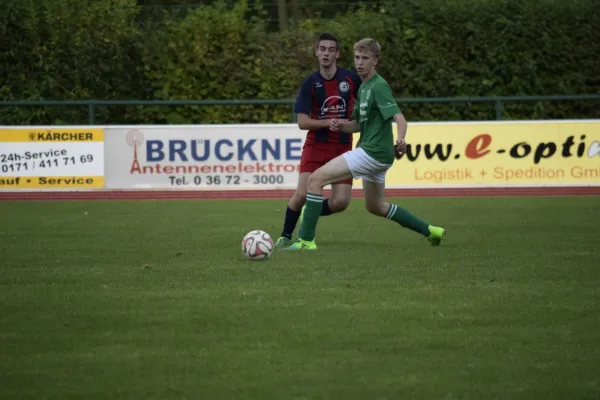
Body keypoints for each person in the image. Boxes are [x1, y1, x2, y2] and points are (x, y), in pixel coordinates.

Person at [286, 38, 446, 250]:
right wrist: (339, 126)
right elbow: (357, 125)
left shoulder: (378, 86)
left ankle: (305, 241)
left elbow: (399, 117)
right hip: (378, 155)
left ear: (375, 61)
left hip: (373, 152)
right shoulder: (363, 88)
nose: (360, 63)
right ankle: (432, 231)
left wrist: (401, 138)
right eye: (357, 57)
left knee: (315, 181)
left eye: (365, 58)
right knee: (376, 206)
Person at [274, 32, 362, 248]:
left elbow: (365, 109)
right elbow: (302, 122)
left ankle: (309, 213)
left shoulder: (351, 79)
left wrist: (358, 131)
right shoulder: (310, 83)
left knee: (341, 202)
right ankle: (285, 236)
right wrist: (327, 122)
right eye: (322, 49)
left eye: (331, 50)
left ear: (337, 54)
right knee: (302, 193)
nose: (326, 53)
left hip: (342, 145)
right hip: (316, 144)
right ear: (316, 52)